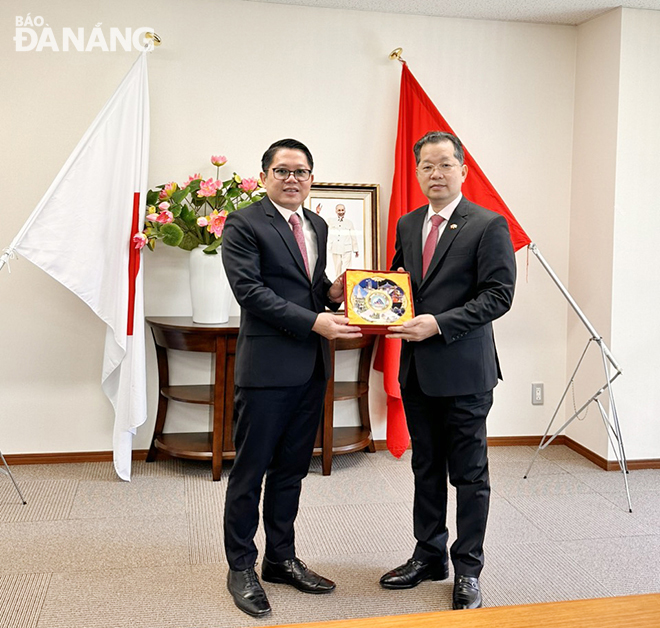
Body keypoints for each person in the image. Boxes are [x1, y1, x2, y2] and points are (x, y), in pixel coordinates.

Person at [221, 138, 362, 618]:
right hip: (267, 368)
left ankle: (281, 558)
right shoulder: (243, 223)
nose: (292, 179)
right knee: (251, 471)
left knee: (291, 471)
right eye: (282, 171)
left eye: (301, 172)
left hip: (312, 366)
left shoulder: (317, 223)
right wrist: (314, 320)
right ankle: (241, 566)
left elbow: (311, 289)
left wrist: (335, 293)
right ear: (264, 177)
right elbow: (251, 292)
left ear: (310, 179)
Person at [379, 131, 516, 610]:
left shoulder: (487, 225)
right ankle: (429, 555)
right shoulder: (407, 223)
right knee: (426, 469)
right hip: (417, 372)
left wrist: (439, 323)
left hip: (464, 372)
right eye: (426, 167)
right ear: (417, 173)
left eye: (444, 165)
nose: (435, 174)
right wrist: (365, 302)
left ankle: (469, 568)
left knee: (470, 474)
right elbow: (398, 286)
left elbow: (498, 297)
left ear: (462, 170)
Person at [325, 203, 360, 277]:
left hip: (346, 248)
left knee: (347, 268)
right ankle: (338, 285)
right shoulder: (331, 220)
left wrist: (356, 249)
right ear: (336, 211)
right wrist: (317, 213)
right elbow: (321, 223)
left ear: (345, 211)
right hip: (335, 247)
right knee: (337, 269)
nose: (341, 212)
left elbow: (353, 236)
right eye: (339, 210)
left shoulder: (349, 222)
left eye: (342, 210)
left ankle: (346, 282)